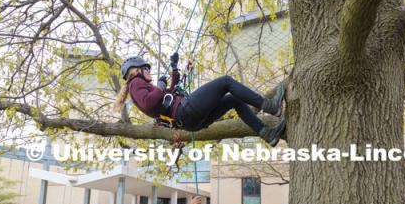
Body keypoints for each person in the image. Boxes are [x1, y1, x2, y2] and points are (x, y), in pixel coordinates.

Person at [114, 54, 286, 147]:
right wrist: (159, 86)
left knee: (234, 100)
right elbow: (149, 102)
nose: (149, 72)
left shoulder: (141, 87)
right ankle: (270, 105)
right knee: (225, 82)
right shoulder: (135, 83)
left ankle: (266, 134)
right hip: (184, 110)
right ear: (137, 71)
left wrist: (174, 69)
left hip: (189, 121)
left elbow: (169, 92)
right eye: (147, 69)